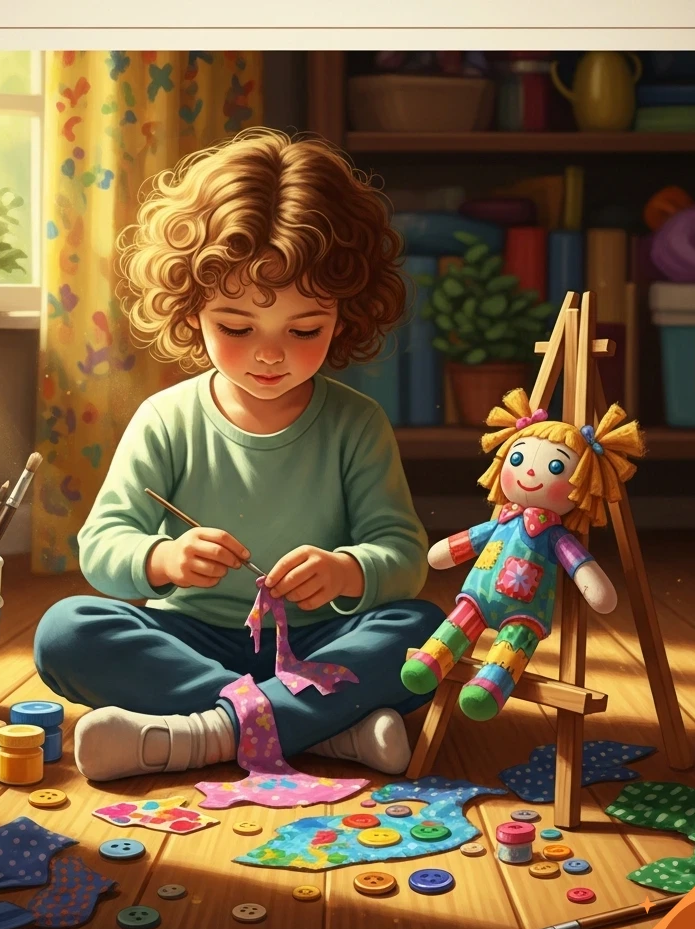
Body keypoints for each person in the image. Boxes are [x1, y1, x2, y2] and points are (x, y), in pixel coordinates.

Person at [33, 127, 444, 782]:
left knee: (424, 631)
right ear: (190, 308)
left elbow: (400, 555)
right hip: (185, 641)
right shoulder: (165, 418)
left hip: (320, 643)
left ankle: (206, 733)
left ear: (345, 315)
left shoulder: (355, 424)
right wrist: (163, 558)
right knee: (65, 631)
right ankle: (324, 730)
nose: (270, 353)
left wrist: (345, 572)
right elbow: (102, 547)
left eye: (304, 329)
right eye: (236, 326)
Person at [402, 388, 645, 720]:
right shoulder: (502, 520)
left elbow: (580, 565)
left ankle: (490, 686)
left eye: (556, 466)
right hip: (478, 595)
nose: (529, 471)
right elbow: (466, 542)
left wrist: (594, 584)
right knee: (459, 621)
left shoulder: (555, 535)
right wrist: (445, 551)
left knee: (513, 644)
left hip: (525, 610)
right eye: (517, 459)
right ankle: (430, 661)